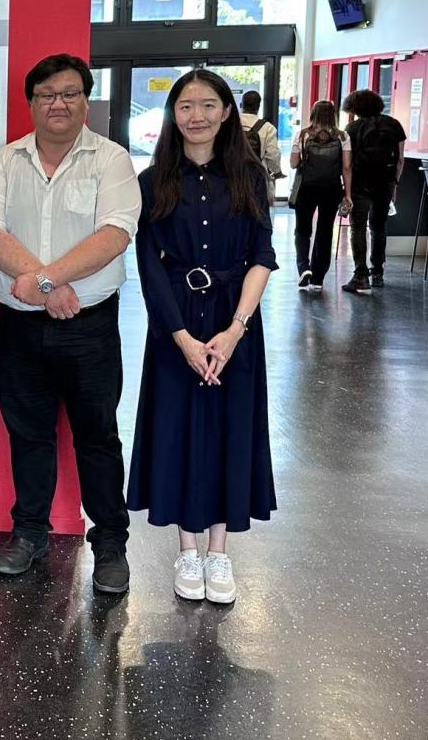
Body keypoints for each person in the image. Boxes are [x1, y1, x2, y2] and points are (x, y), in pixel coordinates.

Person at [0, 53, 140, 595]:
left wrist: (45, 280)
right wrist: (48, 288)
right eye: (47, 95)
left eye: (70, 93)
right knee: (28, 434)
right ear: (31, 103)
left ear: (85, 100)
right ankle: (30, 533)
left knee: (98, 436)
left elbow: (114, 234)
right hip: (20, 327)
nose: (58, 104)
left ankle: (110, 543)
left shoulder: (111, 160)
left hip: (90, 327)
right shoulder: (4, 162)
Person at [128, 68, 277, 605]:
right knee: (177, 427)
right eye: (186, 106)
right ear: (173, 115)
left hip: (235, 319)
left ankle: (219, 551)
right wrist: (182, 338)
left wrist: (236, 330)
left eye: (208, 104)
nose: (197, 116)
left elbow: (262, 256)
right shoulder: (152, 182)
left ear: (226, 112)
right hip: (176, 319)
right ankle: (187, 549)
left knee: (229, 427)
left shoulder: (250, 176)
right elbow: (149, 265)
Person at [342, 89, 406, 294]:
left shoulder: (352, 128)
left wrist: (347, 191)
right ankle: (378, 272)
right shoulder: (394, 125)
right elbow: (400, 158)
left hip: (360, 183)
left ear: (355, 107)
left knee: (358, 227)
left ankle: (360, 276)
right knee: (378, 226)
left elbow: (348, 163)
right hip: (385, 182)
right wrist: (394, 183)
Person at [290, 100, 352, 292]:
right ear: (333, 115)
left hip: (306, 189)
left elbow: (293, 163)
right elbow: (346, 167)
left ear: (313, 114)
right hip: (331, 189)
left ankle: (303, 268)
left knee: (302, 230)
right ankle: (318, 279)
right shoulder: (343, 136)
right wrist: (348, 194)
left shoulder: (302, 135)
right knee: (325, 232)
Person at [239, 90, 282, 204]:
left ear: (241, 104)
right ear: (258, 106)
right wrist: (277, 172)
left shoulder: (230, 124)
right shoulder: (267, 128)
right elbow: (273, 155)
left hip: (233, 174)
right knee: (259, 210)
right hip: (257, 177)